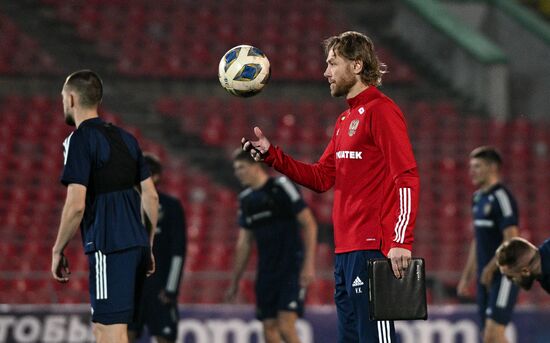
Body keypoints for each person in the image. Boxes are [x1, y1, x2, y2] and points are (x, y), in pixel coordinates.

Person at [242, 31, 420, 343]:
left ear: (356, 65)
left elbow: (406, 176)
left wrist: (401, 240)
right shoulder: (345, 120)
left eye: (332, 63)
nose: (326, 72)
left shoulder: (382, 111)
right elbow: (322, 178)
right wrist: (272, 156)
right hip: (345, 251)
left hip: (372, 250)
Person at [51, 70, 159, 343]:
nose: (63, 103)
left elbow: (76, 204)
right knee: (109, 329)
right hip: (135, 245)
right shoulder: (127, 138)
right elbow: (151, 197)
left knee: (109, 332)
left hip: (108, 243)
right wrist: (148, 244)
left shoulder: (79, 140)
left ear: (72, 99)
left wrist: (57, 249)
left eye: (63, 97)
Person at [225, 149, 318, 343]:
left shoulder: (282, 186)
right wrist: (235, 280)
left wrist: (308, 263)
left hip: (291, 267)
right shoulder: (246, 200)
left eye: (241, 167)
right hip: (266, 271)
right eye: (235, 169)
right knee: (268, 328)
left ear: (255, 166)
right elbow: (244, 242)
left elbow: (309, 223)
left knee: (285, 325)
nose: (237, 173)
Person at [457, 146, 520, 343]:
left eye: (477, 166)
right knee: (488, 336)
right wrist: (467, 277)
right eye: (471, 166)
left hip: (504, 275)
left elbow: (512, 238)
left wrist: (492, 267)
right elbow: (478, 240)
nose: (472, 171)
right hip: (484, 277)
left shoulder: (502, 197)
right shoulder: (477, 198)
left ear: (493, 167)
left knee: (494, 334)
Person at [128, 153, 187, 343]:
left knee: (165, 338)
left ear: (156, 176)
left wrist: (171, 288)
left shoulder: (171, 207)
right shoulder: (124, 206)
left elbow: (178, 251)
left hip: (159, 289)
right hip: (131, 290)